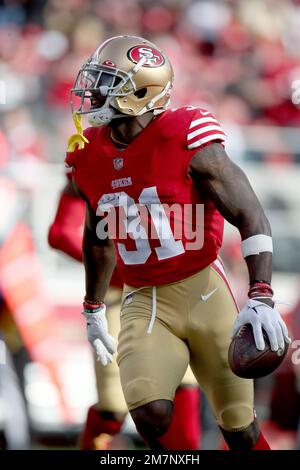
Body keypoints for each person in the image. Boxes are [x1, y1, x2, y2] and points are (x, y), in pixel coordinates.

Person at [65, 35, 291, 450]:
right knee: (150, 415)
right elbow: (97, 234)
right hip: (142, 298)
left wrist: (261, 294)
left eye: (105, 81)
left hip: (205, 290)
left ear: (140, 92)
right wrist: (93, 308)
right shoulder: (87, 157)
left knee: (239, 426)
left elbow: (250, 214)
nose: (91, 90)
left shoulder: (185, 135)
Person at [48, 178, 201, 450]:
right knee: (113, 409)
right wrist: (120, 266)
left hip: (170, 289)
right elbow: (60, 232)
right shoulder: (97, 153)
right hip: (122, 295)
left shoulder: (168, 146)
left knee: (182, 390)